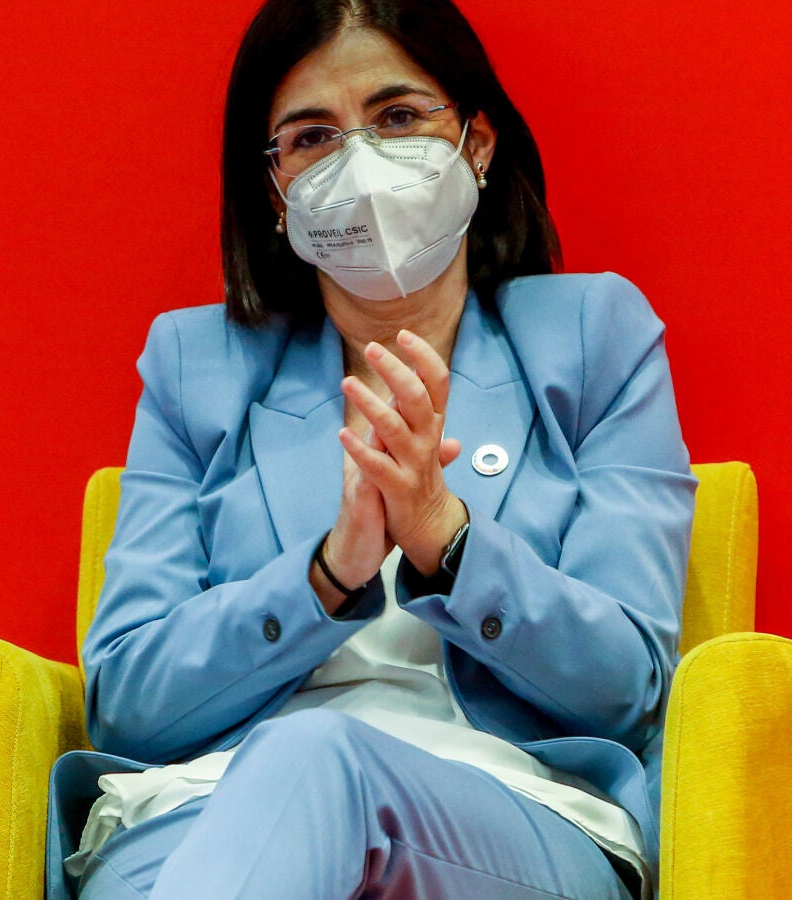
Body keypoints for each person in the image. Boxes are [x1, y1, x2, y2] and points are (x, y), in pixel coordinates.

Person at [45, 0, 696, 897]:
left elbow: (624, 685)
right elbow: (129, 703)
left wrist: (444, 538)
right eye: (313, 137)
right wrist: (325, 578)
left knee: (322, 756)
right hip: (205, 810)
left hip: (508, 815)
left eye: (396, 117)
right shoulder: (197, 366)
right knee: (290, 770)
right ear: (275, 191)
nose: (359, 161)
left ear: (475, 143)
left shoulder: (592, 340)